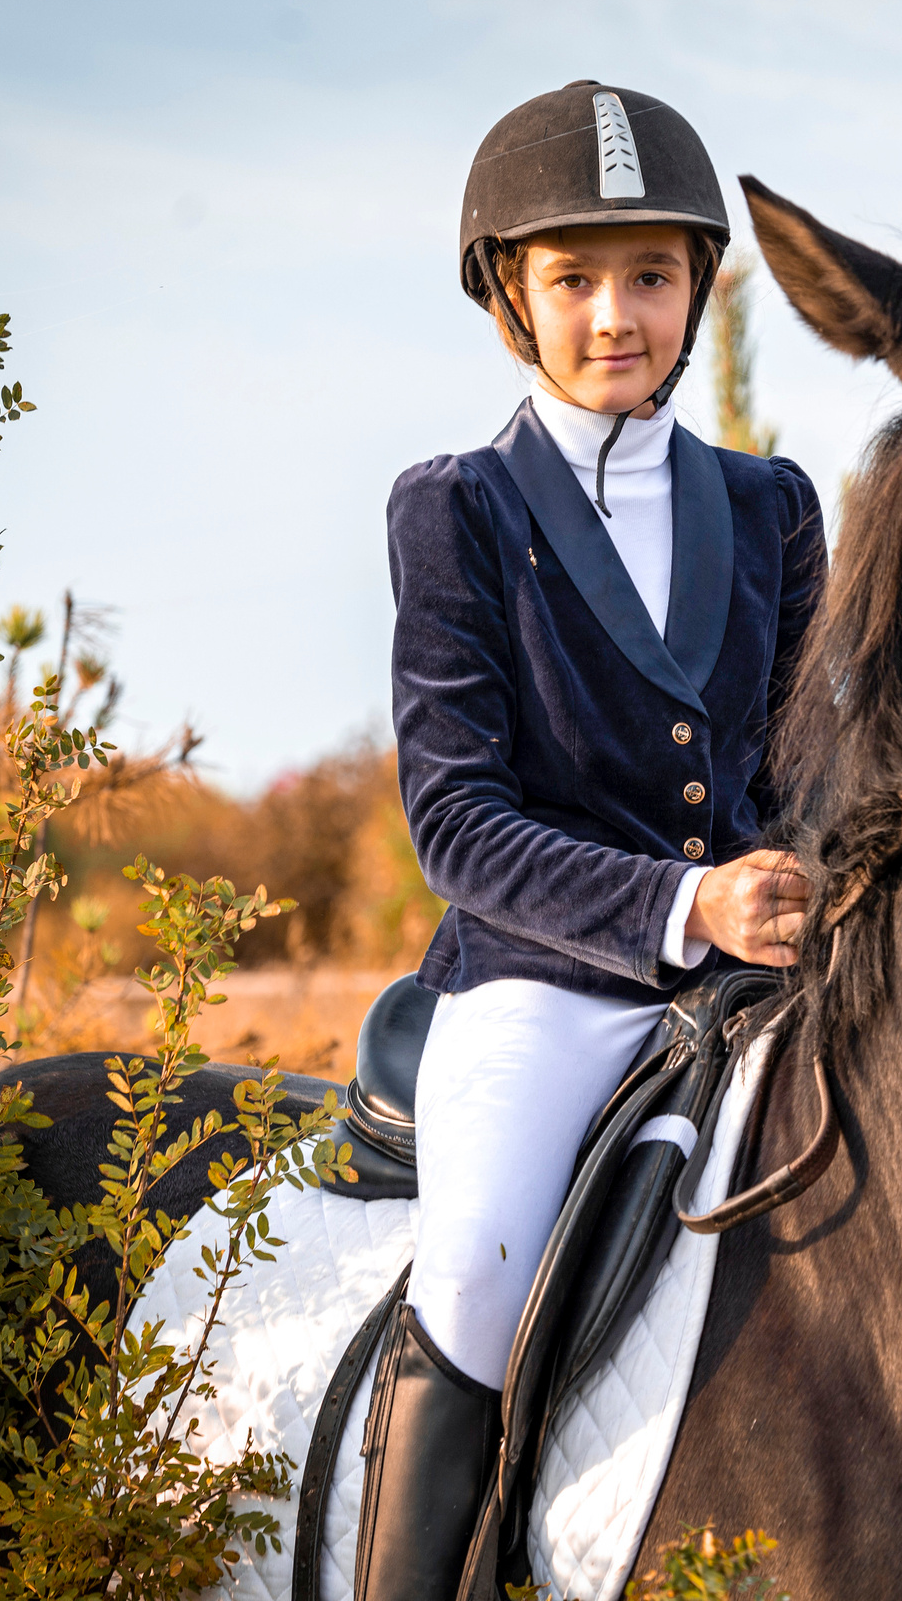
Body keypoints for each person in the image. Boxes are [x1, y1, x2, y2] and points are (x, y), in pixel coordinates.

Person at [354, 81, 826, 1600]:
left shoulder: (772, 507)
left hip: (759, 984)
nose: (613, 315)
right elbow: (457, 822)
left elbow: (806, 764)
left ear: (696, 290)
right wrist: (687, 904)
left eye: (649, 276)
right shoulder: (459, 513)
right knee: (484, 1263)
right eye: (573, 279)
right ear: (513, 298)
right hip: (543, 986)